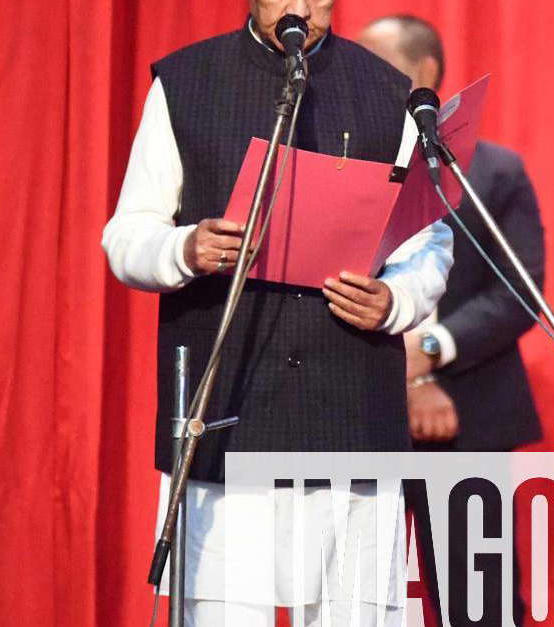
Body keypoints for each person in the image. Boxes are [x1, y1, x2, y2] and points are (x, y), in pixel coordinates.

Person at [103, 2, 453, 625]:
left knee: (358, 611)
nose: (301, 8)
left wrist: (395, 299)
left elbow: (429, 239)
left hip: (352, 415)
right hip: (228, 416)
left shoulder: (387, 89)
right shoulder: (185, 81)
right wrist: (184, 247)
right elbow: (127, 235)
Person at [359, 14, 545, 623]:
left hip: (471, 419)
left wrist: (430, 350)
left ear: (426, 73)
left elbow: (520, 292)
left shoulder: (493, 171)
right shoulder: (346, 167)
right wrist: (407, 379)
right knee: (358, 602)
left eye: (376, 62)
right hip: (362, 420)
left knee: (480, 605)